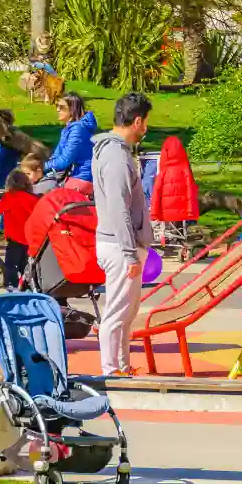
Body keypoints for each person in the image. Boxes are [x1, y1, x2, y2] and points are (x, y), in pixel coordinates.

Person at [92, 92, 155, 377]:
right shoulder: (116, 158)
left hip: (120, 244)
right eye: (146, 123)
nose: (147, 129)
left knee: (126, 313)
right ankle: (110, 369)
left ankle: (120, 366)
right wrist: (130, 252)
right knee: (117, 312)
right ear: (138, 121)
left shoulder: (115, 153)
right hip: (119, 246)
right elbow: (119, 209)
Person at [0, 170, 40, 288]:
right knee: (23, 264)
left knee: (10, 264)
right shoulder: (32, 198)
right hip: (28, 238)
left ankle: (12, 285)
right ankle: (28, 284)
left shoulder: (11, 196)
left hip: (15, 237)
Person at [46, 92, 99, 195]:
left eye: (61, 107)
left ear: (72, 109)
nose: (57, 110)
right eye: (57, 106)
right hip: (71, 176)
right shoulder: (69, 128)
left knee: (41, 194)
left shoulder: (78, 130)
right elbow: (57, 156)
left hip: (81, 178)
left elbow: (65, 160)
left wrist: (41, 167)